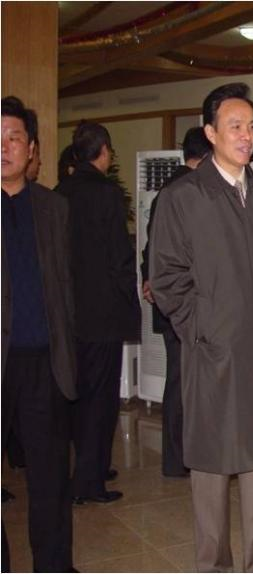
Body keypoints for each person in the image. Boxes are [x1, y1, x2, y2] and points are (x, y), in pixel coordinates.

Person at [149, 82, 253, 572]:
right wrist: (202, 329)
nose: (246, 135)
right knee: (212, 466)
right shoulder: (183, 196)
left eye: (252, 126)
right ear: (210, 132)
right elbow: (166, 277)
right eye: (235, 126)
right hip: (214, 351)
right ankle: (213, 566)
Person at [1, 96, 77, 572]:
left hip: (44, 363)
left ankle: (53, 564)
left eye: (14, 137)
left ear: (31, 148)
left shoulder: (53, 207)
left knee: (50, 478)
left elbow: (67, 287)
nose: (4, 147)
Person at [56, 121, 141, 505]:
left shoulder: (59, 192)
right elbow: (119, 256)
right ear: (104, 152)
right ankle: (89, 482)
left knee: (77, 396)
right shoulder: (106, 194)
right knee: (101, 400)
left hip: (69, 313)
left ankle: (89, 467)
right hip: (103, 313)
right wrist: (129, 303)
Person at [141, 127, 210, 478]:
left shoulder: (166, 190)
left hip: (170, 301)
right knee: (183, 383)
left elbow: (150, 248)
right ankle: (180, 459)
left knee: (179, 380)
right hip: (184, 304)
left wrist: (149, 279)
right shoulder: (187, 192)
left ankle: (179, 457)